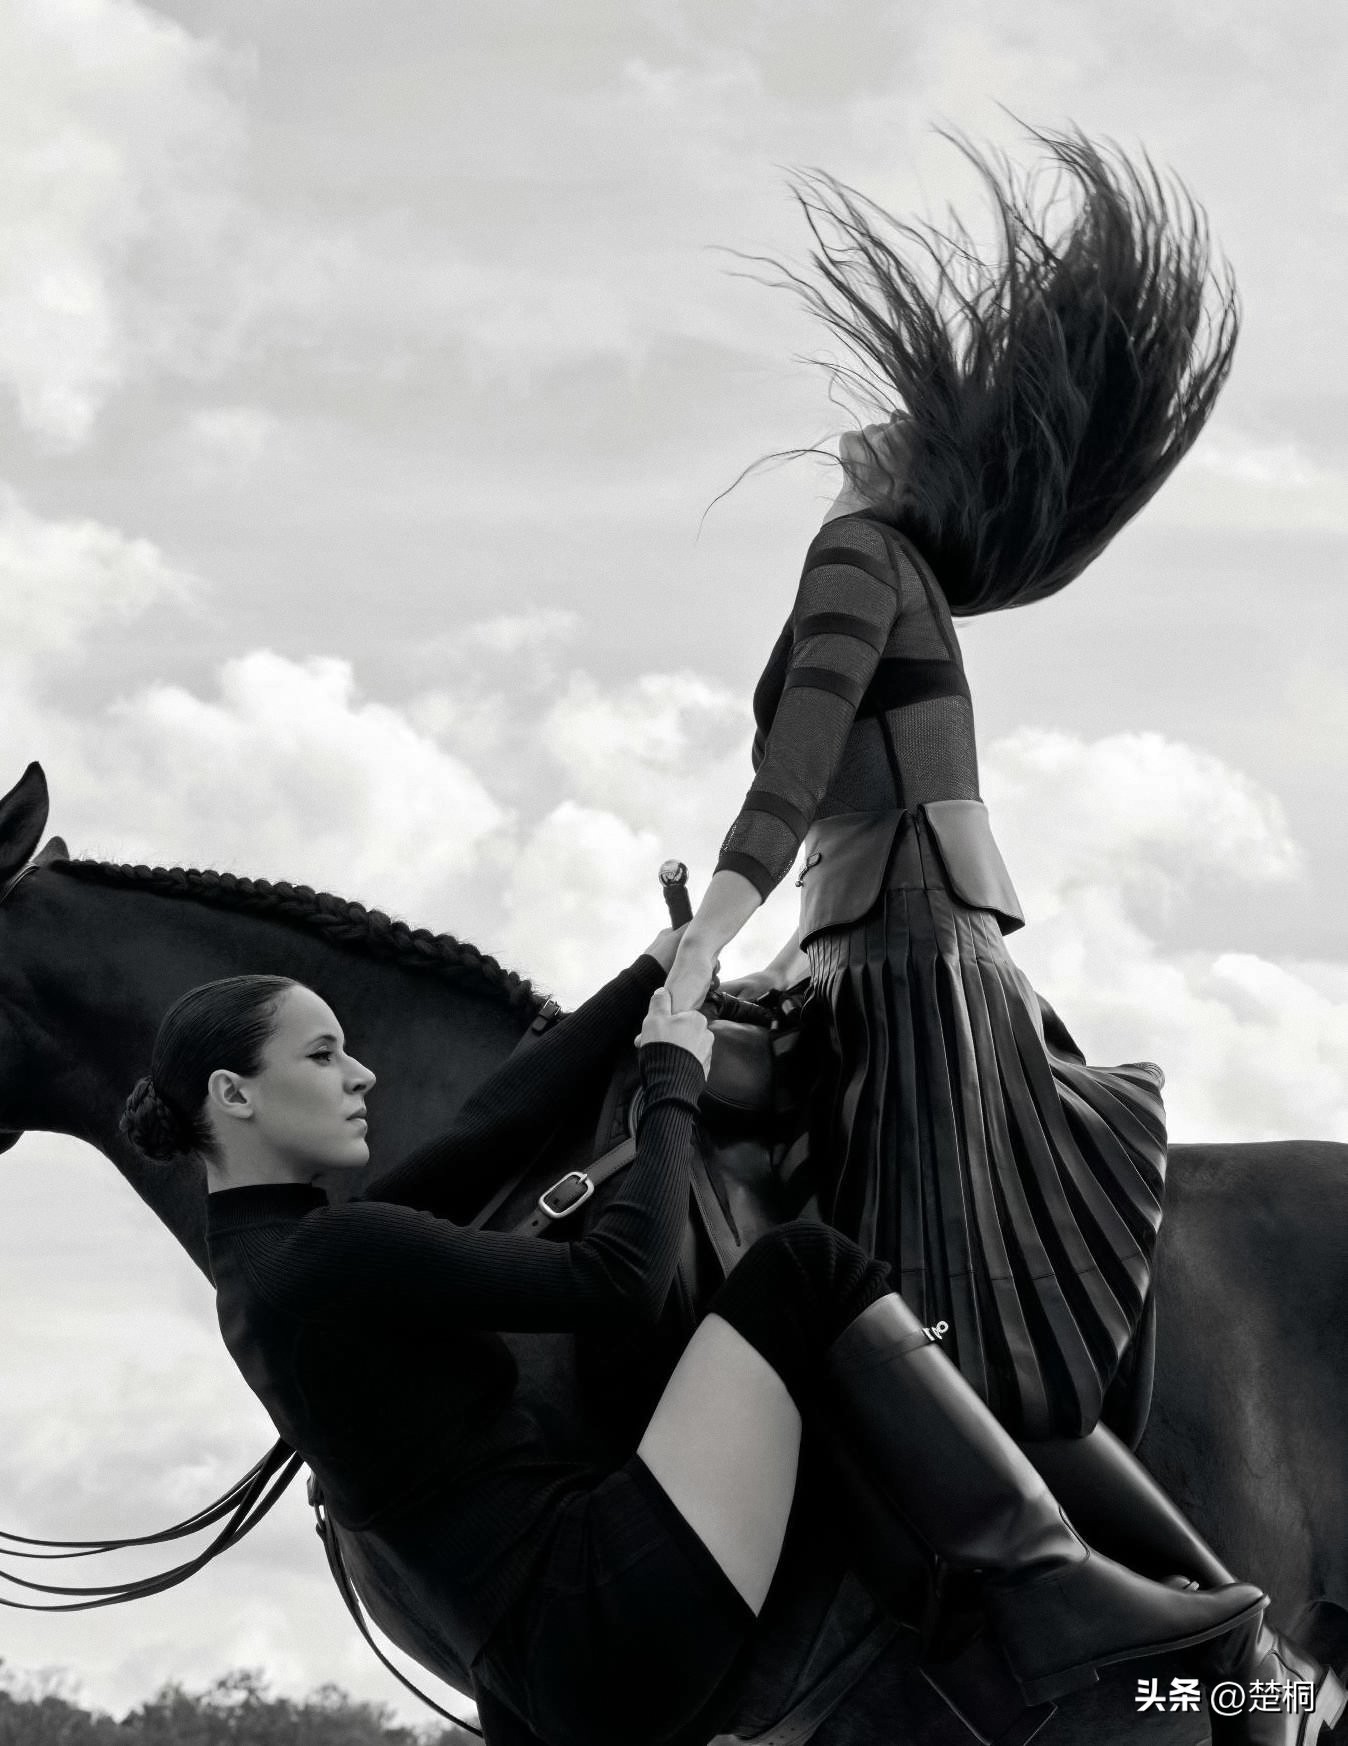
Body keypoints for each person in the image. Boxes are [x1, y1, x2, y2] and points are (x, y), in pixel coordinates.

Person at [662, 129, 1346, 1742]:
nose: (855, 432)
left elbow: (793, 773)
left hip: (902, 970)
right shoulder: (901, 567)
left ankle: (1218, 1650)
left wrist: (704, 945)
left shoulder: (858, 554)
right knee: (945, 1339)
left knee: (939, 1344)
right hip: (877, 961)